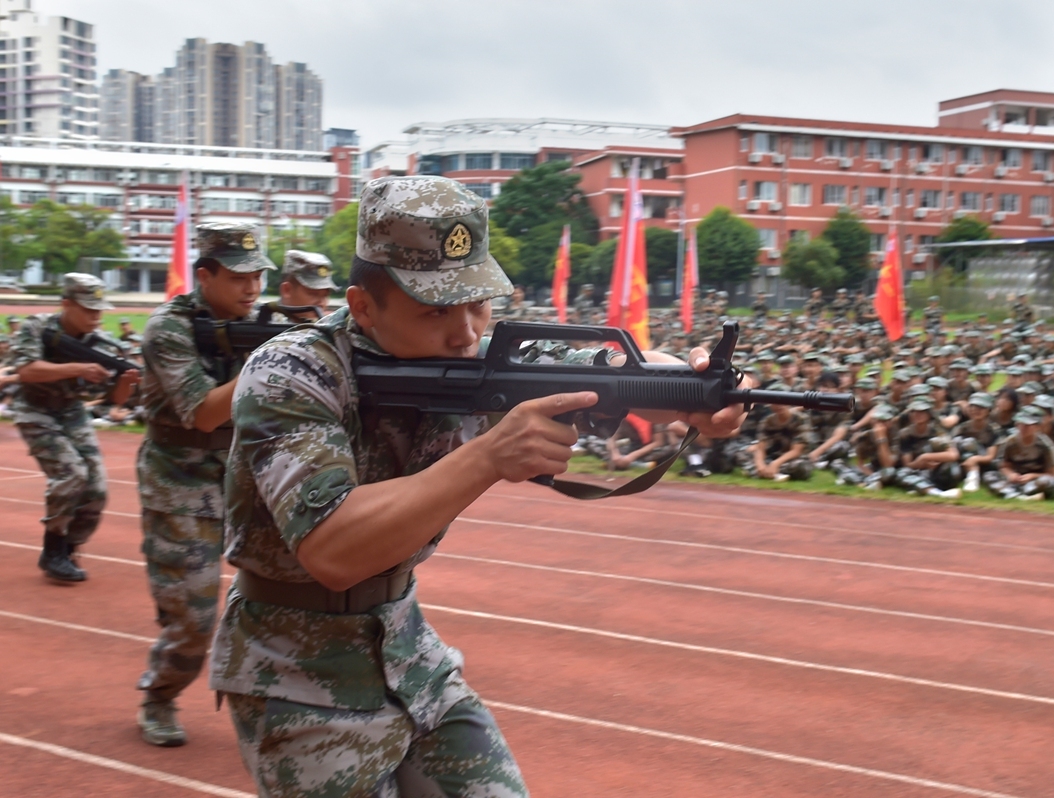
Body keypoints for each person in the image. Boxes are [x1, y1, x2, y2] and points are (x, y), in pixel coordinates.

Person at [208, 176, 745, 797]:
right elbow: (333, 550)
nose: (465, 333)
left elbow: (609, 374)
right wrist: (489, 456)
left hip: (405, 648)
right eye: (435, 310)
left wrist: (695, 389)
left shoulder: (480, 357)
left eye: (477, 303)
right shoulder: (291, 371)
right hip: (293, 670)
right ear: (363, 307)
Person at [136, 222, 277, 747]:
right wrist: (268, 365)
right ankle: (160, 694)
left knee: (286, 600)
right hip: (180, 485)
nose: (251, 287)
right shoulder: (167, 329)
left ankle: (277, 702)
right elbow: (202, 412)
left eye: (258, 276)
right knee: (193, 619)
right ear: (205, 275)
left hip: (248, 481)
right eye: (239, 277)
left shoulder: (259, 325)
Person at [10, 274, 139, 582]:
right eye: (88, 309)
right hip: (35, 410)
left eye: (99, 310)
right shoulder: (37, 327)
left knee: (96, 488)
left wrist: (126, 382)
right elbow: (26, 371)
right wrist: (78, 368)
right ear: (66, 304)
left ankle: (68, 547)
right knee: (72, 474)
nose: (96, 316)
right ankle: (53, 548)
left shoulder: (101, 345)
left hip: (72, 412)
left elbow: (115, 399)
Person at [984, 409, 1054, 500]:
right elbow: (1004, 466)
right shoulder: (1010, 442)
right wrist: (1011, 474)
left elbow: (1053, 474)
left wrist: (1032, 476)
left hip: (1036, 480)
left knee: (1047, 482)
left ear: (1037, 427)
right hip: (1016, 479)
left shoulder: (1046, 446)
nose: (1024, 428)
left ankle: (1011, 493)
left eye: (1028, 425)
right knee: (989, 475)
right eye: (1021, 424)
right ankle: (1021, 496)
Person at [279, 249, 338, 317]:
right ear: (287, 290)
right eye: (313, 294)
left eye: (325, 295)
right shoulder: (270, 320)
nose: (322, 303)